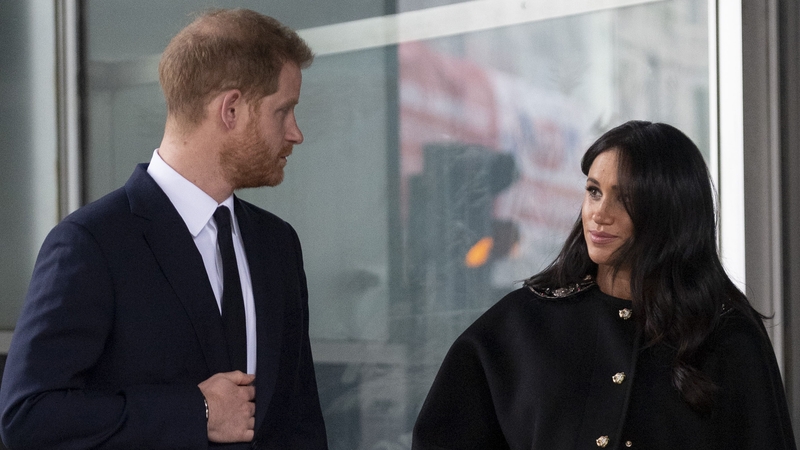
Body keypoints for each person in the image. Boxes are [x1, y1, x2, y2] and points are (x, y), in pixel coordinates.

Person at [0, 8, 328, 449]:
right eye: (283, 111)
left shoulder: (277, 244)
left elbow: (299, 422)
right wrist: (199, 412)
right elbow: (28, 417)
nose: (295, 133)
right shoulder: (93, 243)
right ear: (230, 109)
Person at [411, 120, 797, 449]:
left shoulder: (726, 336)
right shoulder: (521, 325)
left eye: (625, 199)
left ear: (671, 211)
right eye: (594, 191)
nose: (599, 214)